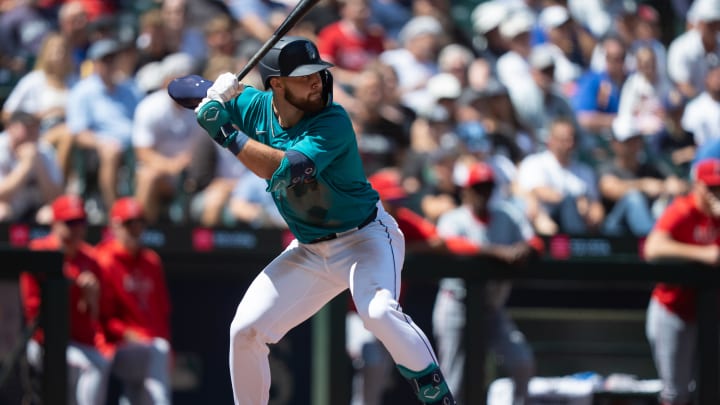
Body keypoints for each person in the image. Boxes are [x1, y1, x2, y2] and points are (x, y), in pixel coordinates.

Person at [193, 36, 456, 404]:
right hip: (311, 250)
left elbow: (286, 170)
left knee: (378, 311)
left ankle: (438, 397)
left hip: (366, 239)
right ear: (277, 85)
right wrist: (213, 91)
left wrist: (225, 132)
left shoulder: (332, 121)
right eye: (304, 76)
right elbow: (183, 89)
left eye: (318, 72)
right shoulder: (254, 106)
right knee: (245, 330)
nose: (316, 81)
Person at [347, 168, 479, 405]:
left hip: (383, 313)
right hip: (348, 312)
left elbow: (440, 241)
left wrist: (411, 248)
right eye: (391, 200)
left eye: (398, 200)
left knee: (381, 370)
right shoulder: (352, 218)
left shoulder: (401, 221)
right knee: (372, 358)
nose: (396, 206)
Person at [433, 161, 540, 405]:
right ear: (466, 191)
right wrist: (495, 252)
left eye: (487, 187)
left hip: (492, 308)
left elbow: (535, 243)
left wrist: (523, 249)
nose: (483, 193)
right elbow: (447, 244)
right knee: (454, 379)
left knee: (521, 361)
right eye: (477, 187)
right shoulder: (454, 218)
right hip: (455, 306)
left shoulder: (506, 215)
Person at [19, 194, 111, 405]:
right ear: (55, 224)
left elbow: (97, 318)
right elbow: (33, 312)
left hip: (78, 342)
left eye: (81, 222)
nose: (77, 229)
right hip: (43, 342)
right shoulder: (39, 252)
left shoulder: (90, 258)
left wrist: (92, 297)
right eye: (70, 222)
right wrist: (73, 285)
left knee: (98, 363)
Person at [643, 157, 720, 405]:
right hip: (673, 309)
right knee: (676, 393)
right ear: (697, 184)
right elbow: (652, 248)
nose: (714, 193)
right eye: (710, 187)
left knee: (710, 386)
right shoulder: (683, 209)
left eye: (719, 187)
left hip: (708, 312)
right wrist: (704, 254)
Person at [95, 197, 173, 404]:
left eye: (140, 223)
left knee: (157, 355)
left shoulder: (151, 261)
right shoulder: (103, 260)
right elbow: (101, 317)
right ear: (114, 225)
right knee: (157, 353)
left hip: (148, 347)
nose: (135, 229)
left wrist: (165, 346)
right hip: (114, 347)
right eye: (129, 224)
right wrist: (129, 335)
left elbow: (161, 312)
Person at [0, 111, 63, 223]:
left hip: (35, 210)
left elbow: (55, 198)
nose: (33, 133)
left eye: (35, 128)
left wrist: (38, 164)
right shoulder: (2, 148)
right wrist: (25, 165)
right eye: (27, 128)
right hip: (9, 208)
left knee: (51, 214)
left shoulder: (45, 151)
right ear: (10, 128)